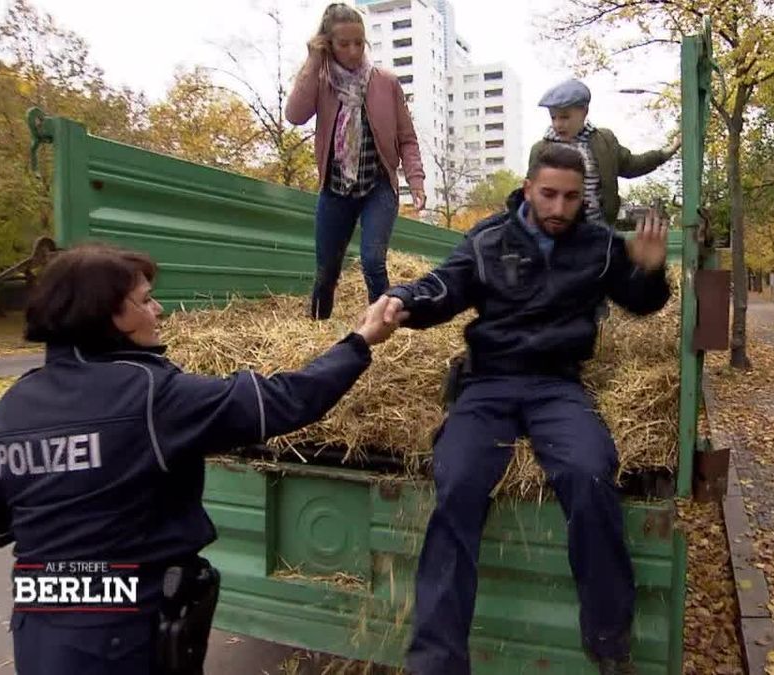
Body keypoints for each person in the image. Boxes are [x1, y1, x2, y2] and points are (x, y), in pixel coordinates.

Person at [0, 243, 405, 675]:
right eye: (146, 300)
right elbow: (284, 401)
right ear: (111, 314)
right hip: (124, 639)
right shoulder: (150, 396)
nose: (158, 309)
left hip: (39, 635)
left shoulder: (15, 402)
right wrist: (361, 340)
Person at [382, 144, 672, 675]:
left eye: (570, 197)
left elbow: (640, 301)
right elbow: (445, 285)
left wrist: (651, 273)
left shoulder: (599, 244)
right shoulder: (489, 238)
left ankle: (609, 642)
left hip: (555, 385)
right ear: (529, 187)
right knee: (458, 481)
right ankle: (436, 661)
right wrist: (404, 300)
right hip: (488, 383)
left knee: (589, 473)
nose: (560, 208)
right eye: (549, 195)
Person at [285, 2, 426, 320]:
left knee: (373, 260)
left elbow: (407, 138)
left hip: (377, 186)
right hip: (335, 189)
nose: (352, 50)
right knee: (327, 269)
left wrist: (415, 180)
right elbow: (295, 115)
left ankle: (384, 326)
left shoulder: (385, 83)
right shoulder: (321, 82)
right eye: (343, 44)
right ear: (328, 44)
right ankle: (318, 331)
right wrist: (312, 60)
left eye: (358, 43)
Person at [529, 78, 680, 229]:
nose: (558, 124)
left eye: (564, 117)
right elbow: (533, 196)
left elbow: (631, 165)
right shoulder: (541, 150)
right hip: (559, 233)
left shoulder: (604, 141)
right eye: (553, 117)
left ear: (584, 112)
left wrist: (664, 153)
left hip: (600, 230)